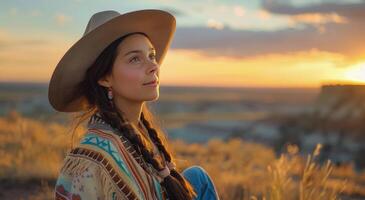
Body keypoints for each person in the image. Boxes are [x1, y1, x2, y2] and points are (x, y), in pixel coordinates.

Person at [48, 9, 220, 200]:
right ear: (104, 78)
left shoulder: (138, 131)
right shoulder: (90, 163)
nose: (154, 66)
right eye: (135, 59)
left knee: (197, 176)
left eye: (151, 56)